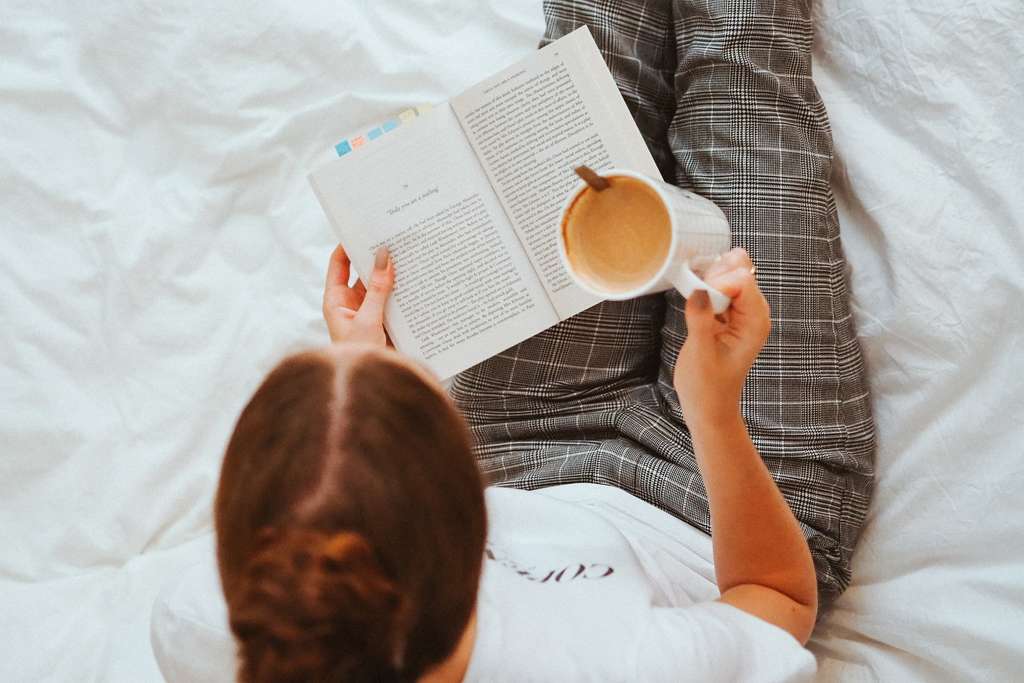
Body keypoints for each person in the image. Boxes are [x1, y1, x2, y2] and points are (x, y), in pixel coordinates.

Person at [211, 0, 875, 680]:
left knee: (585, 72)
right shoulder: (625, 667)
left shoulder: (237, 628)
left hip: (519, 444)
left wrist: (366, 368)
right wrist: (712, 410)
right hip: (730, 510)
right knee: (742, 76)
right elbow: (778, 597)